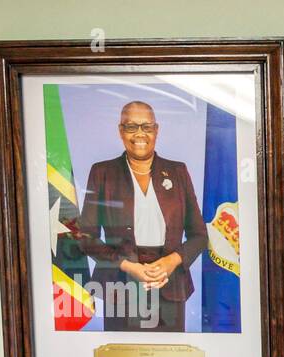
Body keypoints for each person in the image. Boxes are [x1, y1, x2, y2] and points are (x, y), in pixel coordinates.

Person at [77, 101, 207, 332]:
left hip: (169, 282)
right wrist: (128, 266)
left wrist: (171, 261)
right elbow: (86, 237)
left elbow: (199, 236)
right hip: (121, 283)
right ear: (120, 131)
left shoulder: (178, 172)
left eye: (146, 127)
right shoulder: (103, 172)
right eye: (131, 127)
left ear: (156, 130)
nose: (140, 134)